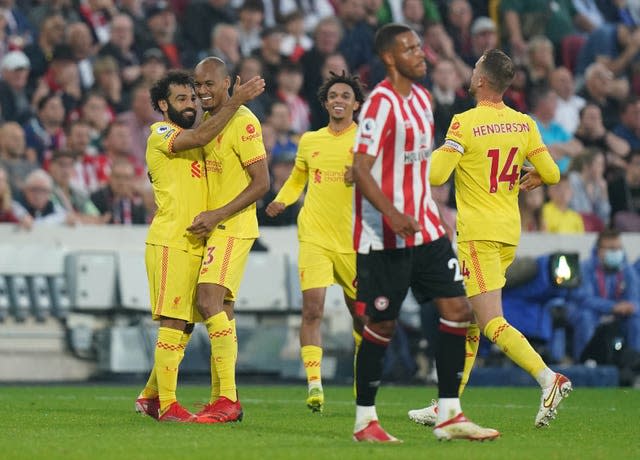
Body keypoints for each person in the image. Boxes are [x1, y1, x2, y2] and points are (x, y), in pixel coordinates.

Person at [350, 24, 499, 443]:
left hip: (427, 228)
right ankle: (365, 421)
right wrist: (393, 212)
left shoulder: (423, 98)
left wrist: (426, 208)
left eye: (420, 46)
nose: (421, 54)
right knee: (382, 325)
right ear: (389, 58)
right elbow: (361, 169)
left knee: (458, 310)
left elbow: (414, 166)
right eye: (410, 49)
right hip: (385, 236)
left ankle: (449, 415)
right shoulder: (379, 104)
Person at [412, 49, 571, 429]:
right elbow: (552, 173)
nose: (470, 74)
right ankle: (447, 404)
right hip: (508, 232)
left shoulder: (463, 123)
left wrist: (427, 151)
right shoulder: (523, 123)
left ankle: (549, 378)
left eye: (473, 69)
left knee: (488, 321)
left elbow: (436, 176)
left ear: (482, 80)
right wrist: (532, 174)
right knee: (469, 317)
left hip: (478, 235)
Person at [134, 69, 265, 423]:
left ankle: (152, 395)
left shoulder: (210, 127)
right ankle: (169, 403)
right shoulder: (162, 133)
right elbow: (200, 136)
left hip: (198, 238)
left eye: (193, 97)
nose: (192, 103)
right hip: (171, 240)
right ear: (163, 105)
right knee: (176, 320)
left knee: (189, 322)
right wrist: (235, 100)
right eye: (182, 98)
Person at [265, 71, 366, 413]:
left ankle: (361, 379)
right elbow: (297, 179)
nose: (339, 100)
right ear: (325, 103)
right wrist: (282, 199)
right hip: (315, 236)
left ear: (355, 103)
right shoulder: (309, 140)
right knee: (312, 310)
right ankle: (314, 384)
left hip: (354, 240)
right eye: (333, 96)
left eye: (345, 96)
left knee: (362, 318)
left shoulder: (365, 140)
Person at [186, 57, 270, 424]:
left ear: (228, 83)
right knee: (222, 313)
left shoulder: (245, 122)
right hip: (214, 227)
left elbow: (262, 183)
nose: (202, 92)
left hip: (231, 226)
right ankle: (224, 398)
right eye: (198, 85)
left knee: (207, 301)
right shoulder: (208, 121)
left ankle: (227, 400)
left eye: (209, 84)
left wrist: (218, 214)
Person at [567, 229, 640, 362]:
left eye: (619, 248)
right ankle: (584, 363)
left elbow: (634, 298)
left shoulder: (627, 270)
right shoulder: (585, 268)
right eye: (611, 249)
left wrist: (630, 307)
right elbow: (584, 299)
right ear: (599, 250)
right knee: (585, 316)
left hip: (619, 317)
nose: (617, 253)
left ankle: (635, 364)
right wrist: (612, 307)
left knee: (636, 318)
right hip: (594, 314)